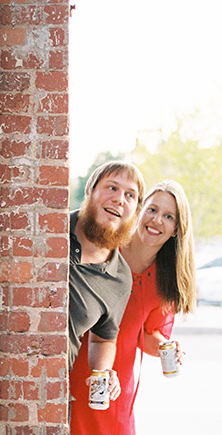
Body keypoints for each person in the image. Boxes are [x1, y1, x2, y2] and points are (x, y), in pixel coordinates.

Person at [69, 180, 197, 435]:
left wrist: (164, 345)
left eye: (168, 216)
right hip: (74, 358)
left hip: (116, 379)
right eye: (152, 209)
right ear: (139, 211)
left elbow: (145, 333)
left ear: (177, 229)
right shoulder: (111, 247)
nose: (157, 220)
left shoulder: (167, 280)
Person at [67, 161, 145, 397]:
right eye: (112, 188)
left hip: (52, 393)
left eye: (130, 195)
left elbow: (103, 340)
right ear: (90, 191)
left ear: (135, 211)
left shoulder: (120, 278)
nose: (119, 199)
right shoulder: (51, 229)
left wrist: (103, 371)